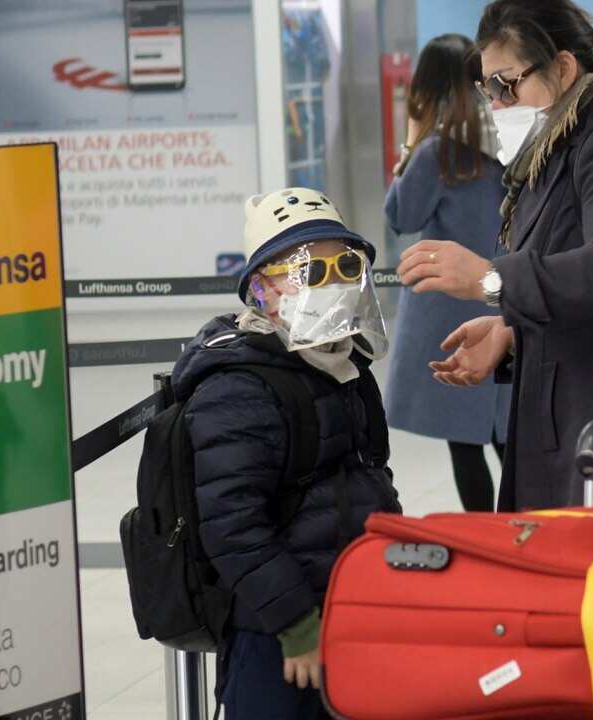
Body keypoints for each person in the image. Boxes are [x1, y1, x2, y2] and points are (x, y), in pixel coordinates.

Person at [395, 0, 593, 511]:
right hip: (580, 415)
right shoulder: (568, 139)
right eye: (486, 89)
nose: (496, 104)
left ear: (563, 67)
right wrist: (513, 333)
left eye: (506, 84)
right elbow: (585, 278)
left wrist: (493, 281)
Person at [173, 188, 402, 719]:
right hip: (279, 632)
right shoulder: (239, 388)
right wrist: (297, 625)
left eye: (345, 267)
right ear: (264, 293)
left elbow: (371, 478)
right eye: (311, 273)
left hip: (350, 610)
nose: (336, 286)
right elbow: (232, 525)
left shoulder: (344, 367)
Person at [384, 33, 510, 512]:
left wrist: (410, 143)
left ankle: (485, 540)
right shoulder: (507, 140)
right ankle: (526, 535)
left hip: (448, 312)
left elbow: (402, 215)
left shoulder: (438, 150)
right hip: (506, 301)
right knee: (507, 436)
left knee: (465, 442)